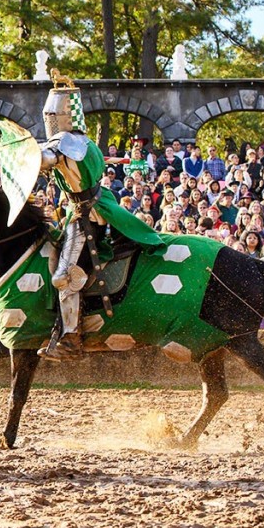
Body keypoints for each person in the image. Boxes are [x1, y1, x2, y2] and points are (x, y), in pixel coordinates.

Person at [34, 76, 165, 361]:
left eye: (54, 114)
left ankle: (70, 339)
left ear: (67, 115)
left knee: (64, 278)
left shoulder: (70, 143)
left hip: (85, 215)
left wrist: (16, 153)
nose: (50, 119)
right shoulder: (82, 142)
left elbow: (42, 159)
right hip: (82, 209)